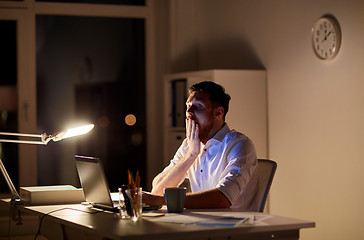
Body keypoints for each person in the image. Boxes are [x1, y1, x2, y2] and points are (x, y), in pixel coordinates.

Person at [143, 81, 258, 210]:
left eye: (198, 106)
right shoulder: (190, 144)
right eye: (188, 106)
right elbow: (157, 190)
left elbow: (222, 198)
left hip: (236, 226)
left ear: (218, 113)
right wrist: (191, 155)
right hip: (202, 223)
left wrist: (161, 200)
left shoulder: (239, 145)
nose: (189, 112)